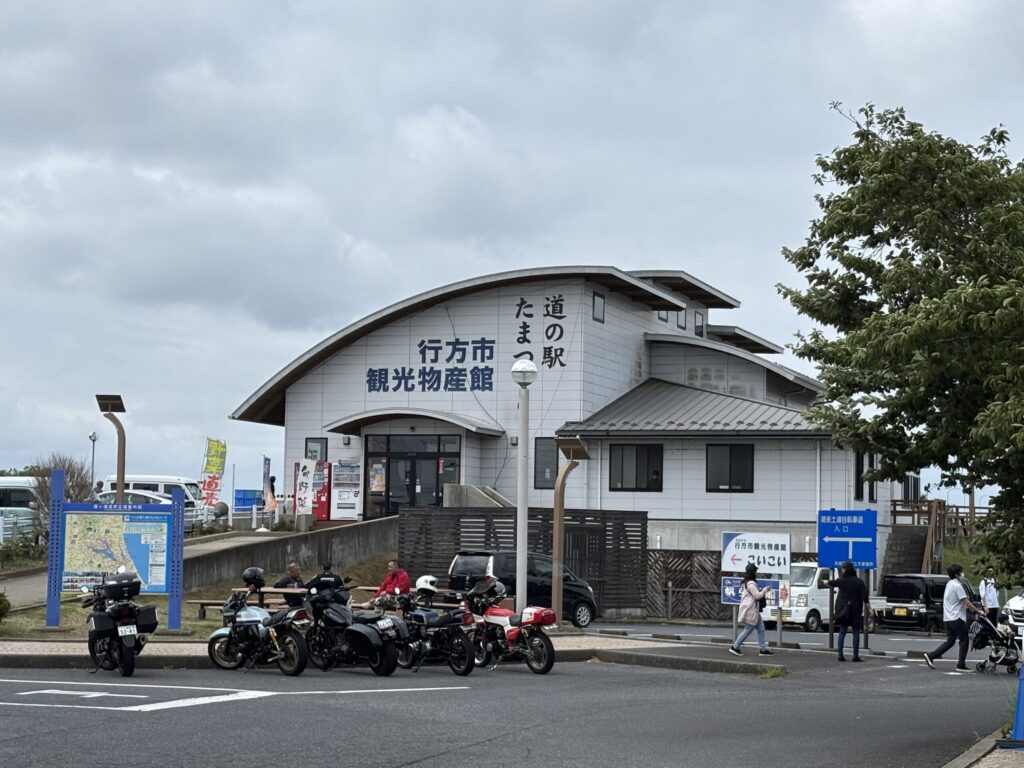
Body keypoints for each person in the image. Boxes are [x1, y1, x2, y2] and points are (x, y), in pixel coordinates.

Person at [924, 563, 985, 672]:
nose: (962, 574)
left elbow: (959, 602)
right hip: (957, 618)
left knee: (950, 641)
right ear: (956, 574)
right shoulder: (957, 586)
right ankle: (961, 665)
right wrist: (978, 611)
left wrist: (968, 607)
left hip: (948, 618)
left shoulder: (949, 584)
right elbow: (965, 600)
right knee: (964, 640)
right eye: (961, 572)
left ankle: (931, 656)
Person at [822, 561, 874, 662]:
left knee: (842, 632)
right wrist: (870, 609)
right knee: (856, 632)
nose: (843, 570)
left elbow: (833, 583)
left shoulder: (842, 581)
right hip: (856, 611)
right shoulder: (859, 581)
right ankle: (855, 655)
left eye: (843, 569)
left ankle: (840, 655)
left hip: (844, 611)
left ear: (845, 570)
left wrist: (825, 582)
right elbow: (865, 597)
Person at [728, 563, 774, 657]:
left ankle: (763, 649)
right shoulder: (751, 584)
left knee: (761, 629)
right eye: (755, 571)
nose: (756, 573)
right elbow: (757, 596)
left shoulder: (746, 582)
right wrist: (765, 590)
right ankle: (735, 647)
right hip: (751, 610)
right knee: (748, 629)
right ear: (752, 572)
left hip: (752, 610)